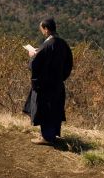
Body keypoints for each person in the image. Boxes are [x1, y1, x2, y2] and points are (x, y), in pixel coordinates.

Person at [22, 17, 73, 145]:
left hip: (45, 84)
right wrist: (61, 77)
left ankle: (47, 137)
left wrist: (32, 55)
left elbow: (35, 64)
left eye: (42, 29)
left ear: (46, 29)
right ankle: (52, 135)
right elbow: (69, 64)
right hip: (57, 84)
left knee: (45, 109)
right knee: (54, 109)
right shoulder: (63, 44)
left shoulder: (47, 44)